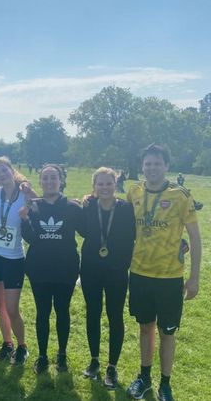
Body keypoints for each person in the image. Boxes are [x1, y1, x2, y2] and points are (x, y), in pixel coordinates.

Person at [125, 144, 201, 401]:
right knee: (146, 327)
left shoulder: (180, 195)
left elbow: (195, 238)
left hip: (170, 277)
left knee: (167, 332)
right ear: (142, 166)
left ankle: (165, 384)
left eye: (157, 163)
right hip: (139, 273)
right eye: (148, 163)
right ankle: (144, 378)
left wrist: (193, 278)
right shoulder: (133, 192)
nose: (152, 168)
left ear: (167, 166)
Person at [18, 164, 85, 374]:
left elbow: (86, 231)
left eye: (53, 177)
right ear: (39, 182)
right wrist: (24, 220)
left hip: (66, 268)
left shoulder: (73, 207)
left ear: (61, 180)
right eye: (45, 178)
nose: (49, 181)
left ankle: (62, 354)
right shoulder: (33, 205)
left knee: (62, 311)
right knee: (42, 312)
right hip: (39, 268)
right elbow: (30, 238)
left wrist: (90, 204)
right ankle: (43, 355)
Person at [80, 167, 135, 389]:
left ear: (115, 184)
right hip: (91, 269)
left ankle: (112, 367)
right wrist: (82, 201)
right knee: (92, 312)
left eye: (108, 183)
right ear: (94, 186)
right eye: (100, 184)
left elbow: (134, 236)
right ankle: (94, 360)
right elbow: (82, 231)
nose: (104, 188)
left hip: (116, 271)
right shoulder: (88, 206)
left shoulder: (125, 209)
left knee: (115, 316)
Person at [0, 157, 37, 365]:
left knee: (12, 308)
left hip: (14, 257)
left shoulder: (26, 193)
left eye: (4, 171)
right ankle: (7, 343)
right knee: (0, 304)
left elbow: (41, 208)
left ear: (12, 170)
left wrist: (29, 189)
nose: (1, 175)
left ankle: (22, 346)